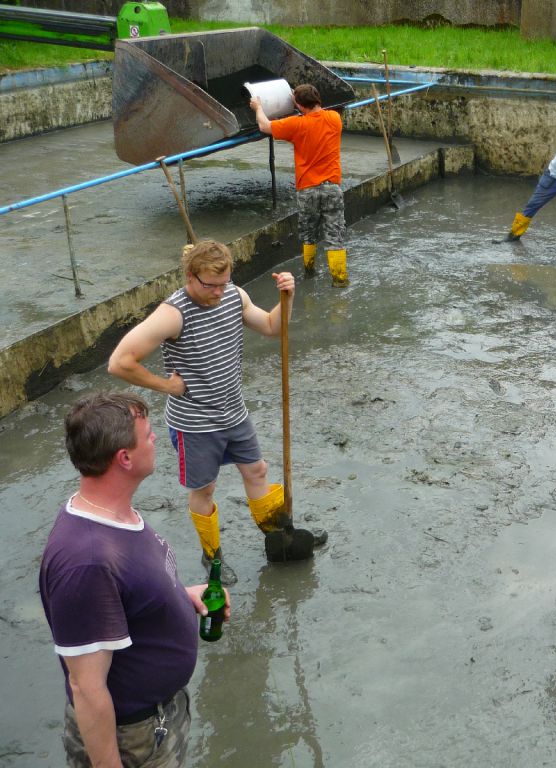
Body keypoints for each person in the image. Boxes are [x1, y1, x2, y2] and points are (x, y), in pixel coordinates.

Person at [108, 240, 320, 585]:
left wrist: (287, 298)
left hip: (234, 411)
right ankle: (212, 556)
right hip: (195, 424)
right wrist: (167, 386)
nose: (219, 292)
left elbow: (272, 327)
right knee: (204, 490)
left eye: (225, 283)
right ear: (191, 277)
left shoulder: (234, 296)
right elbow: (119, 362)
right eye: (211, 286)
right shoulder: (173, 313)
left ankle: (279, 534)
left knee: (257, 470)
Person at [39, 392, 230, 767]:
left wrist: (180, 597)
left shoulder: (113, 515)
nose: (155, 438)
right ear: (124, 458)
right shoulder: (87, 562)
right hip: (134, 739)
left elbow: (129, 592)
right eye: (148, 434)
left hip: (160, 717)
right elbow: (87, 688)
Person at [251, 82, 347, 284]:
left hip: (307, 189)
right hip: (332, 188)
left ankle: (309, 274)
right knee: (335, 236)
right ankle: (339, 281)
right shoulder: (334, 118)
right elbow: (315, 115)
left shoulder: (296, 125)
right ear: (317, 99)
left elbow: (264, 126)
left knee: (309, 235)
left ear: (299, 105)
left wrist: (258, 107)